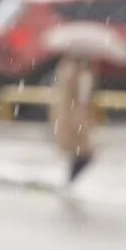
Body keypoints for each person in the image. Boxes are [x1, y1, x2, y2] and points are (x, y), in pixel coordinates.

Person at [51, 50, 101, 183]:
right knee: (85, 152)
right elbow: (84, 98)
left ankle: (70, 179)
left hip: (64, 114)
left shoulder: (64, 68)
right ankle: (71, 180)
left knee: (76, 151)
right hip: (77, 116)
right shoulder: (83, 74)